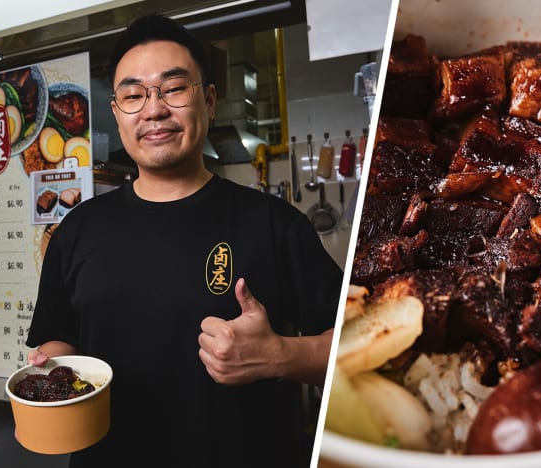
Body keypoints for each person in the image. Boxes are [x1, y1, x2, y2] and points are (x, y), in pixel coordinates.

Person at [25, 13, 343, 468]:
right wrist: (50, 370)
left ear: (210, 101)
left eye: (173, 89)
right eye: (133, 95)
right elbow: (59, 340)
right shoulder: (77, 230)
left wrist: (281, 356)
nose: (153, 110)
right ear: (117, 114)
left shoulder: (275, 224)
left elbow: (352, 346)